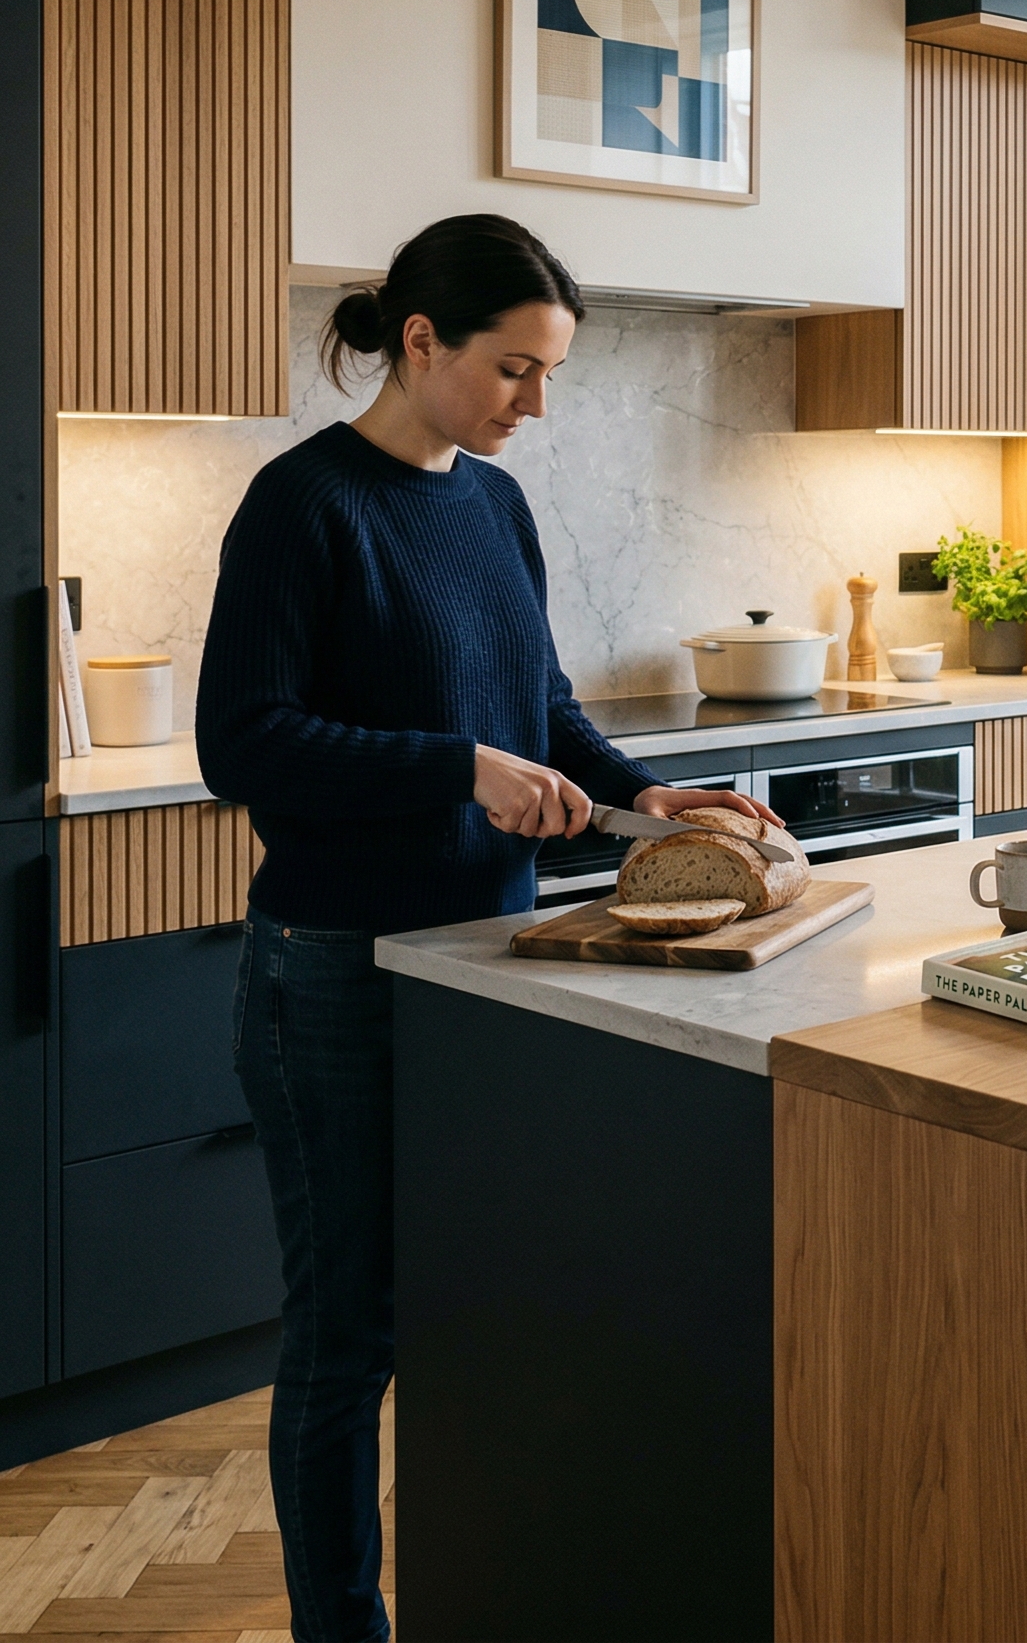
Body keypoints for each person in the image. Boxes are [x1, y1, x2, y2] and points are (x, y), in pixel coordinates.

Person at [195, 213, 772, 1643]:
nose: (537, 404)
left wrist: (642, 790)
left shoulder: (496, 507)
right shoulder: (302, 504)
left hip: (486, 970)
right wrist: (454, 768)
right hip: (333, 976)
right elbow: (242, 743)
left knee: (483, 1309)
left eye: (551, 373)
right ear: (421, 342)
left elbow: (540, 702)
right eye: (515, 369)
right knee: (348, 1341)